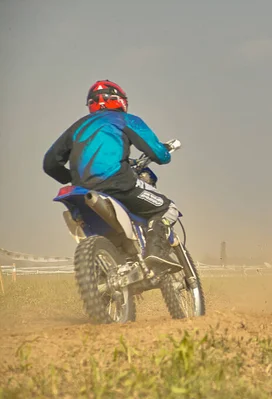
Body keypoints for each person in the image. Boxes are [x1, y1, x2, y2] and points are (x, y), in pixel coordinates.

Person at [42, 79, 181, 272]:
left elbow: (49, 164)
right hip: (118, 184)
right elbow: (158, 154)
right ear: (119, 100)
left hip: (80, 192)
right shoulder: (126, 120)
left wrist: (71, 178)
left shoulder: (77, 127)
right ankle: (154, 251)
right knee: (167, 208)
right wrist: (165, 152)